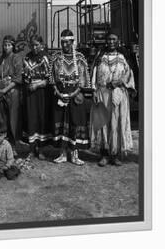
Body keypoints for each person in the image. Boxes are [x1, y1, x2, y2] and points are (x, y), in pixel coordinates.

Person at [90, 33, 136, 166]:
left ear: (118, 41)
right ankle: (104, 154)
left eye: (114, 39)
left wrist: (119, 82)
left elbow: (129, 74)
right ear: (106, 41)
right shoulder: (100, 57)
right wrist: (94, 90)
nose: (111, 42)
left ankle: (115, 154)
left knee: (116, 123)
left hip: (117, 94)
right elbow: (94, 73)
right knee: (103, 123)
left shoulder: (122, 57)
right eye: (109, 39)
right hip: (102, 93)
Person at [50, 29, 91, 166]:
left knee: (75, 123)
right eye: (62, 42)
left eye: (67, 42)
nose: (64, 45)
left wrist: (72, 94)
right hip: (60, 95)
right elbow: (52, 80)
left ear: (73, 42)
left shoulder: (80, 58)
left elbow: (84, 80)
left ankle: (74, 154)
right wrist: (60, 94)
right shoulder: (56, 58)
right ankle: (62, 154)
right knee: (62, 124)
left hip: (75, 96)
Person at [22, 35, 52, 160]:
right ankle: (31, 149)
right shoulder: (27, 57)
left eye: (36, 45)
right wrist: (29, 84)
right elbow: (24, 74)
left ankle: (40, 149)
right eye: (32, 45)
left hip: (42, 94)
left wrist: (37, 84)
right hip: (30, 93)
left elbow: (49, 78)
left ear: (41, 44)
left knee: (41, 118)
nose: (34, 47)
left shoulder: (45, 58)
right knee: (31, 118)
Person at [0, 35, 23, 152]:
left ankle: (14, 145)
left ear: (13, 46)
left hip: (12, 92)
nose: (6, 47)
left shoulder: (16, 58)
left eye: (9, 45)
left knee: (13, 119)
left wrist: (5, 90)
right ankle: (2, 145)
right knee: (0, 118)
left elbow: (18, 78)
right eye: (5, 45)